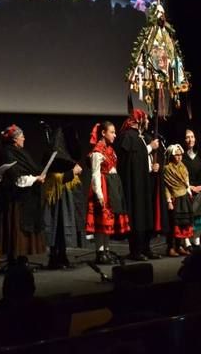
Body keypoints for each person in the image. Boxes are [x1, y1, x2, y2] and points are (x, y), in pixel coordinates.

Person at [116, 108, 161, 261]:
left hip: (145, 181)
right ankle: (135, 250)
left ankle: (146, 248)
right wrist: (149, 148)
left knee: (146, 215)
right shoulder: (128, 136)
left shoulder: (141, 137)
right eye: (146, 119)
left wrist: (154, 166)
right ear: (140, 120)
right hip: (134, 184)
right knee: (137, 216)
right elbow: (132, 158)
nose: (147, 121)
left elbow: (143, 157)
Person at [0, 124, 47, 260]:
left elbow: (30, 169)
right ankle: (15, 258)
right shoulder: (8, 153)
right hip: (15, 198)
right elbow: (15, 177)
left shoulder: (20, 152)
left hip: (26, 197)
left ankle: (22, 257)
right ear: (15, 139)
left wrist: (37, 177)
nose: (24, 138)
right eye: (21, 136)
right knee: (17, 228)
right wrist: (35, 179)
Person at [86, 121, 130, 264]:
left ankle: (106, 249)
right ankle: (99, 252)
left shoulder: (110, 149)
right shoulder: (97, 152)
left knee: (109, 220)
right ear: (103, 133)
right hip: (103, 187)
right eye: (112, 132)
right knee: (102, 221)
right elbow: (95, 174)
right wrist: (99, 194)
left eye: (115, 132)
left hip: (112, 185)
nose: (115, 135)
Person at [41, 126, 83, 269]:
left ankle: (63, 254)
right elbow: (55, 177)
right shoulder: (55, 158)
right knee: (56, 223)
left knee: (64, 222)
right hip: (56, 193)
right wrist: (72, 172)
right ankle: (54, 256)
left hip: (66, 192)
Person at [163, 144, 195, 256]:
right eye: (176, 155)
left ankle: (179, 245)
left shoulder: (183, 167)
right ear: (172, 156)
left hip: (184, 196)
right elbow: (166, 186)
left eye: (180, 155)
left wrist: (189, 193)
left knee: (183, 223)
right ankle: (171, 247)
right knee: (174, 224)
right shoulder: (167, 169)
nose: (179, 157)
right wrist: (169, 201)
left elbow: (186, 182)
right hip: (175, 198)